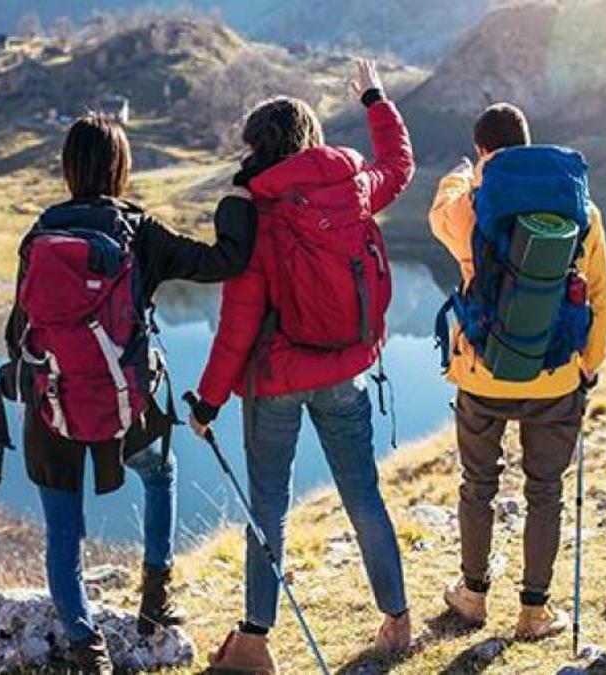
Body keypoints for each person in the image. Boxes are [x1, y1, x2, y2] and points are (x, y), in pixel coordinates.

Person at [0, 114, 256, 673]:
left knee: (63, 530)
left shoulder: (40, 234)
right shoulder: (140, 231)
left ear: (68, 168)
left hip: (53, 404)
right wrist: (239, 199)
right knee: (160, 476)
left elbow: (17, 332)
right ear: (121, 167)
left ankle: (85, 646)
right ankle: (154, 601)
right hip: (128, 400)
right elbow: (225, 261)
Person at [188, 59, 416, 673]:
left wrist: (208, 402)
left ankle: (256, 642)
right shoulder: (355, 186)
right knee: (363, 494)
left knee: (268, 508)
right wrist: (374, 98)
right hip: (346, 370)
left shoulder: (257, 215)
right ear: (311, 138)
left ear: (260, 149)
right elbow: (399, 164)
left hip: (277, 383)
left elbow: (238, 325)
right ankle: (398, 620)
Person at [429, 103, 606, 639]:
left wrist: (468, 171)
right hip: (557, 376)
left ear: (485, 151)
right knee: (545, 491)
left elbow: (438, 210)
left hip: (481, 374)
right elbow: (602, 302)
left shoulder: (471, 205)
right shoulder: (584, 212)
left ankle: (472, 596)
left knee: (478, 485)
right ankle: (534, 612)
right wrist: (587, 366)